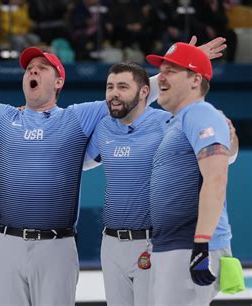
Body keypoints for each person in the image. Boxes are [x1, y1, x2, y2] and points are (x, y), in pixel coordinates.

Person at [0, 29, 226, 306]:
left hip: (57, 246)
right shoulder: (3, 117)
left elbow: (131, 92)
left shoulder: (79, 117)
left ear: (58, 81)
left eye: (41, 68)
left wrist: (184, 68)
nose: (32, 72)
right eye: (28, 69)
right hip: (7, 244)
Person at [84, 59, 238, 305]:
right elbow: (79, 163)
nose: (113, 93)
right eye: (110, 86)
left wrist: (231, 142)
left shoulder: (169, 122)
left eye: (122, 87)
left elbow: (220, 160)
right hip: (111, 243)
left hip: (151, 242)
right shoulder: (103, 128)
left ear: (145, 91)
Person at [145, 42, 232, 305]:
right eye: (161, 70)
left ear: (195, 80)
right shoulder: (177, 121)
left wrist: (202, 245)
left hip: (189, 246)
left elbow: (216, 179)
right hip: (171, 245)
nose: (161, 76)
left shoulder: (201, 113)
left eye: (171, 71)